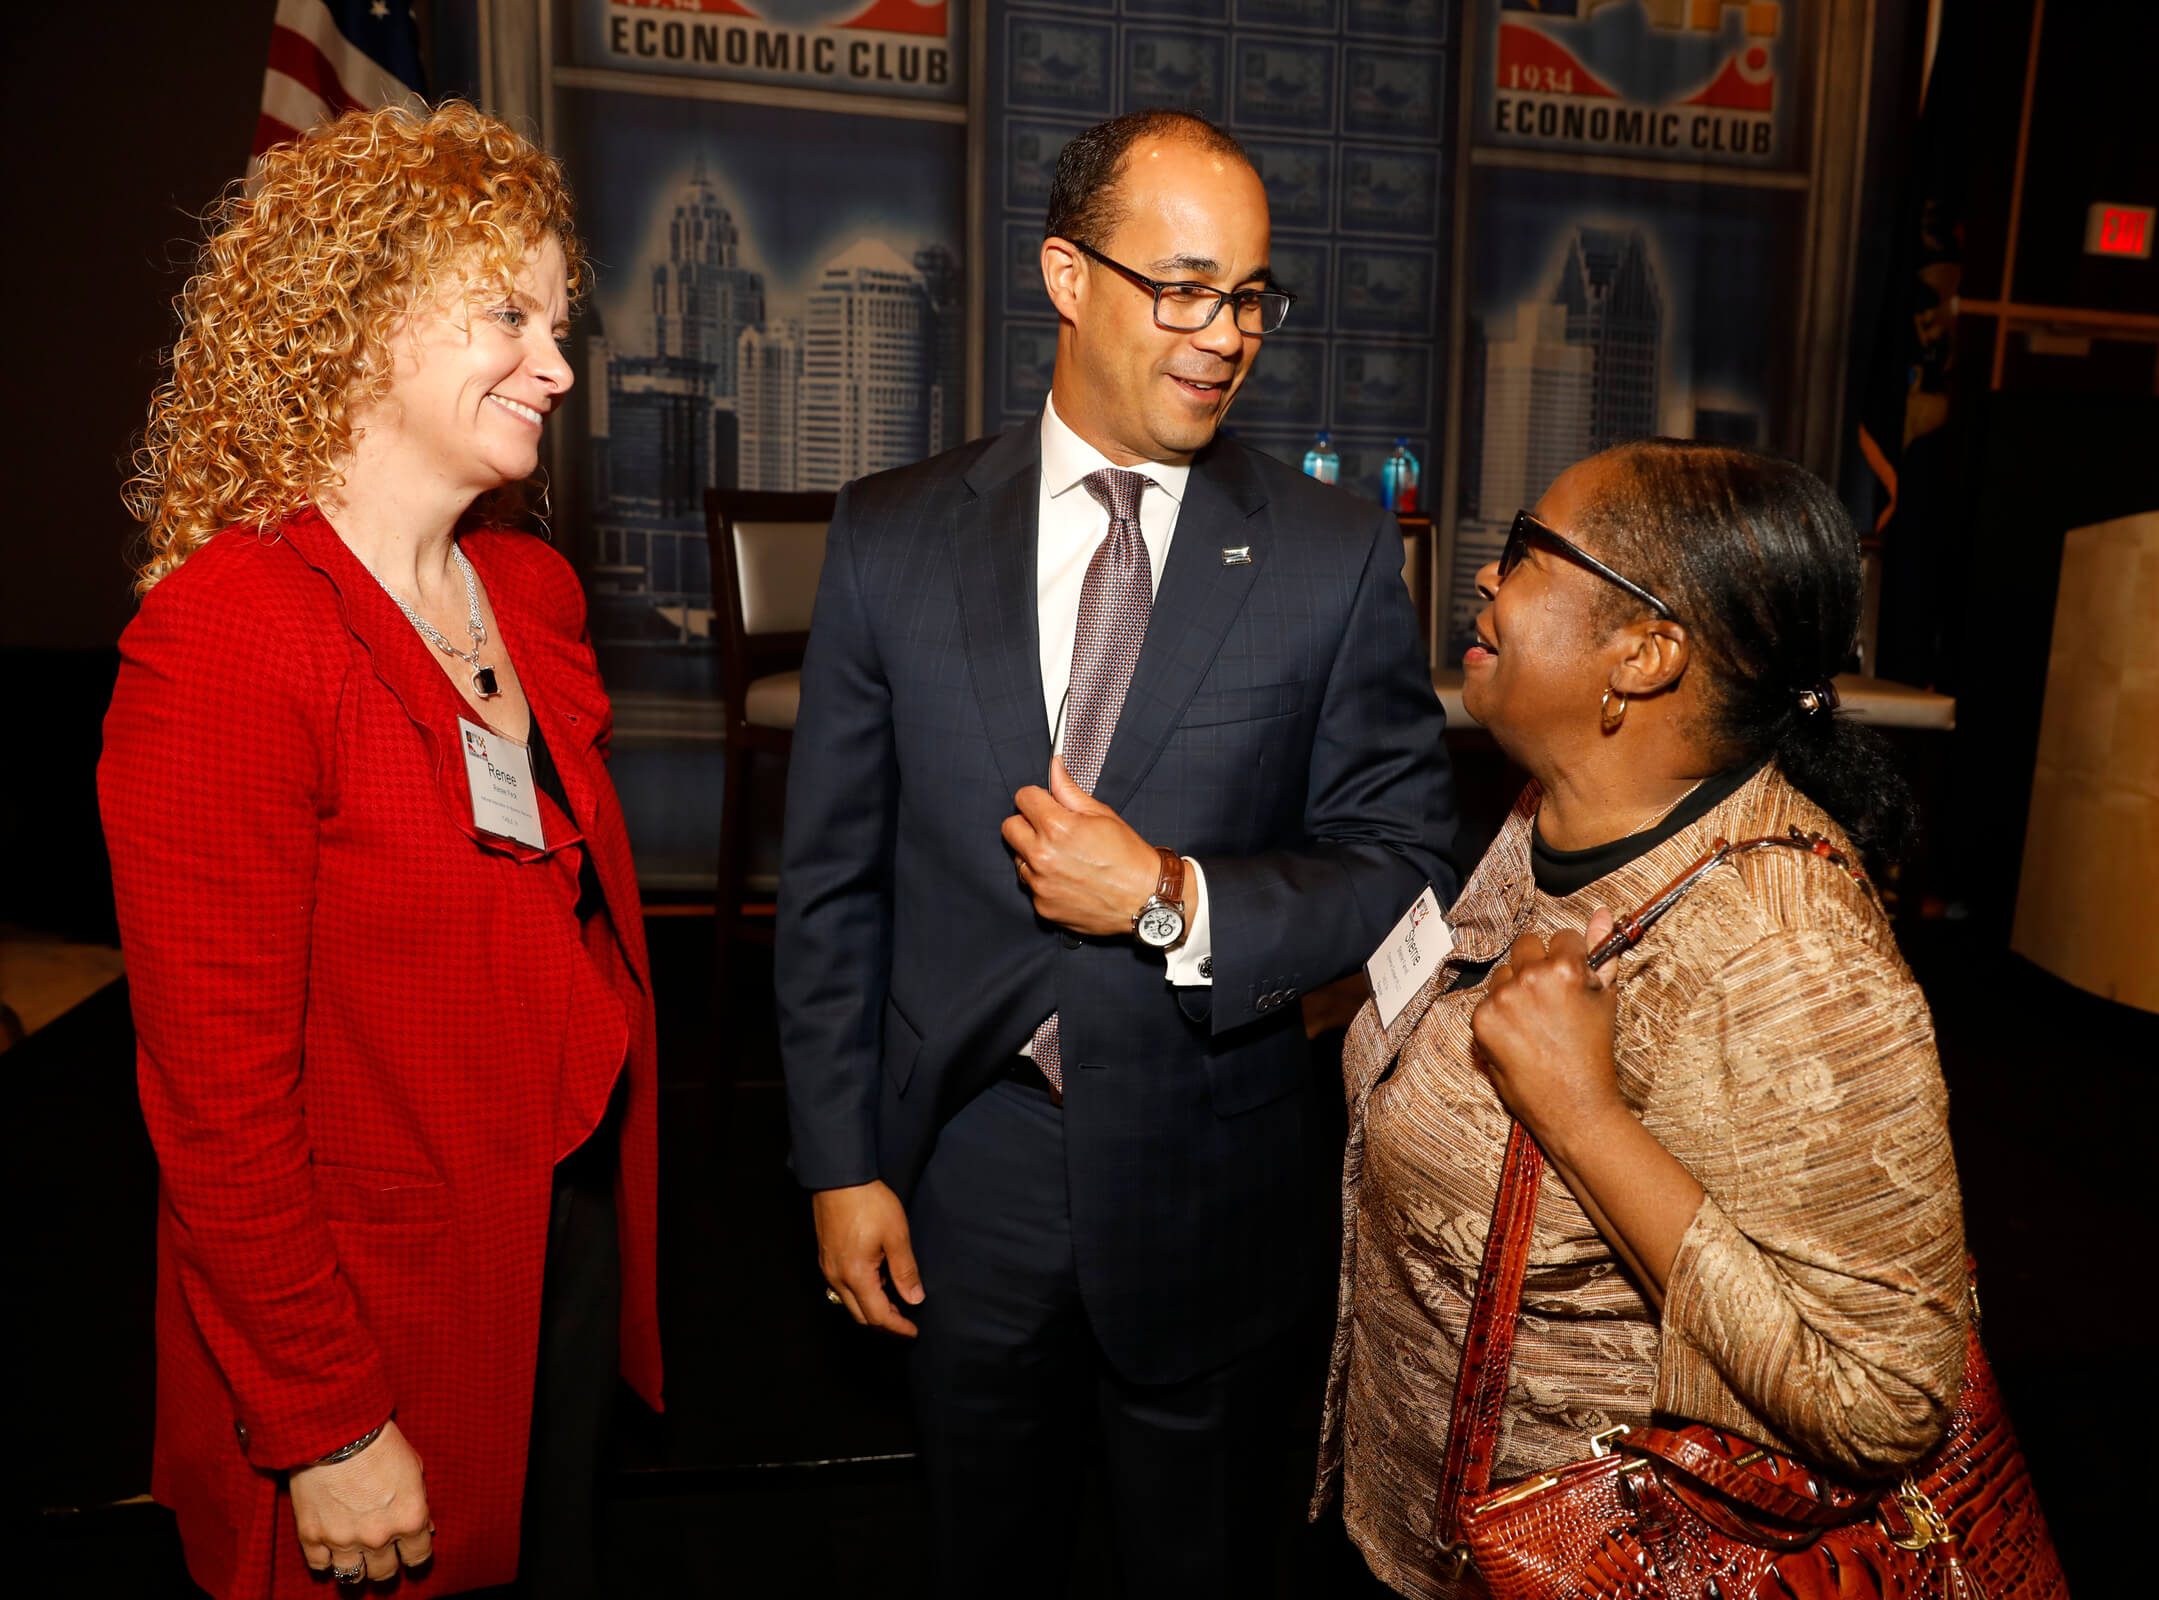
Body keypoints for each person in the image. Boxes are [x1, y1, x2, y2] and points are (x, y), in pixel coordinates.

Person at [779, 108, 1457, 1592]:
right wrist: (841, 1164)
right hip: (966, 1168)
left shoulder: (1331, 556)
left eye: (1252, 298)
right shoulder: (892, 537)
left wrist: (1172, 898)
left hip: (1213, 1177)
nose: (1227, 337)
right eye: (1186, 289)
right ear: (1067, 277)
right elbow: (832, 887)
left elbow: (1406, 863)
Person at [97, 103, 658, 1599]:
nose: (557, 364)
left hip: (554, 1247)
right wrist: (324, 1418)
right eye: (508, 314)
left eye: (558, 323)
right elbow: (218, 1109)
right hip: (370, 1305)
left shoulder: (527, 594)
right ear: (352, 323)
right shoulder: (228, 637)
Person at [1318, 441, 1971, 1597]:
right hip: (1426, 1528)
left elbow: (1883, 1399)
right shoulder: (1557, 809)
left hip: (1605, 1562)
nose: (1487, 575)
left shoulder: (1787, 951)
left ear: (1645, 652)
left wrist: (1584, 1116)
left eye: (1527, 550)